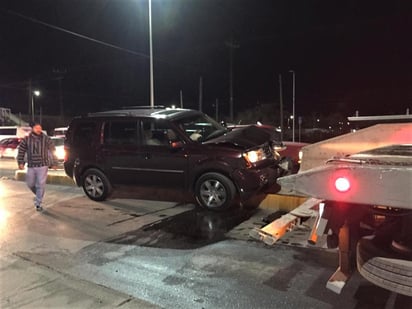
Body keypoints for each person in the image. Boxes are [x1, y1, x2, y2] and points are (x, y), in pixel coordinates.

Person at [17, 123, 58, 211]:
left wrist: (55, 163)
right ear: (32, 129)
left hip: (43, 165)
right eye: (36, 128)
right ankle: (39, 194)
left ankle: (38, 203)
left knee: (40, 184)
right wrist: (21, 162)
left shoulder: (46, 139)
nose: (39, 129)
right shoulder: (27, 139)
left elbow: (53, 150)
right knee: (30, 183)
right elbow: (21, 150)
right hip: (31, 165)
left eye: (40, 128)